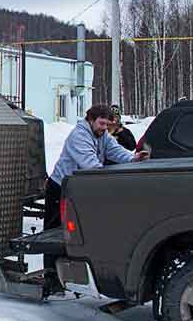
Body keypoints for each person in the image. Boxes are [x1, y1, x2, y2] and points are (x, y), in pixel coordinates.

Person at [42, 105, 149, 288]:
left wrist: (133, 158)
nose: (104, 128)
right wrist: (108, 181)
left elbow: (115, 151)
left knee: (71, 233)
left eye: (107, 124)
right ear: (90, 120)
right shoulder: (79, 136)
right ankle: (50, 276)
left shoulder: (102, 135)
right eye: (101, 123)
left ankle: (66, 273)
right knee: (53, 233)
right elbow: (90, 164)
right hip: (60, 187)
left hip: (78, 188)